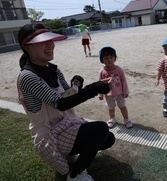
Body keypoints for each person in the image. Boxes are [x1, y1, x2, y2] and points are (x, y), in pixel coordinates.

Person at [17, 24, 115, 181]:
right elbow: (61, 103)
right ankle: (75, 174)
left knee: (108, 138)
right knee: (101, 128)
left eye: (50, 40)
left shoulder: (53, 69)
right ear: (27, 47)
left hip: (64, 123)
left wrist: (77, 85)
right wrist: (95, 88)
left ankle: (70, 153)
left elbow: (67, 95)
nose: (50, 45)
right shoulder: (28, 76)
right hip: (49, 133)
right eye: (42, 42)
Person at [98, 46, 133, 128]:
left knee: (122, 106)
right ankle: (112, 118)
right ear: (102, 60)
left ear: (115, 58)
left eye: (111, 57)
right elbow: (100, 84)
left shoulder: (119, 69)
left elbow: (124, 81)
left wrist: (125, 91)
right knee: (111, 107)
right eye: (106, 58)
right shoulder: (102, 71)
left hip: (120, 93)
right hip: (108, 94)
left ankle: (126, 119)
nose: (109, 60)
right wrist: (100, 94)